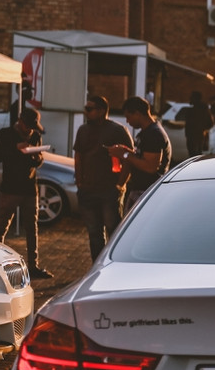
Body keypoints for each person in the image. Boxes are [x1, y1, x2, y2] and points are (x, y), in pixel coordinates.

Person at [0, 107, 53, 279]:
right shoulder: (6, 134)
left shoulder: (35, 136)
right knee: (2, 225)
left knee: (32, 228)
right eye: (28, 126)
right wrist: (15, 148)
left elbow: (38, 161)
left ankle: (33, 265)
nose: (31, 130)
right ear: (21, 121)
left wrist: (37, 157)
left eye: (34, 127)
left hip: (30, 187)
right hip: (10, 187)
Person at [73, 95, 133, 261]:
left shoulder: (117, 130)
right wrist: (79, 182)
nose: (86, 112)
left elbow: (129, 158)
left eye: (90, 109)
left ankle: (114, 265)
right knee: (94, 234)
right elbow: (78, 156)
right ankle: (96, 267)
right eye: (86, 108)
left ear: (101, 111)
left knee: (113, 230)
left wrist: (120, 185)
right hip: (87, 189)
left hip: (109, 190)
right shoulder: (83, 130)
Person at [109, 96, 170, 211]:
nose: (127, 121)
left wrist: (125, 155)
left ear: (137, 113)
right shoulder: (147, 132)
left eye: (128, 117)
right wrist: (126, 151)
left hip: (147, 191)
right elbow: (142, 158)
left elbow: (151, 166)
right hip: (140, 190)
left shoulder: (154, 134)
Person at [184, 90, 213, 158]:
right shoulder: (203, 108)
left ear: (195, 98)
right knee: (197, 154)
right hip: (198, 135)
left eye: (191, 97)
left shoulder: (197, 110)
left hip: (194, 135)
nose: (190, 98)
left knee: (194, 155)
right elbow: (210, 123)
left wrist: (202, 130)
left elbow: (210, 123)